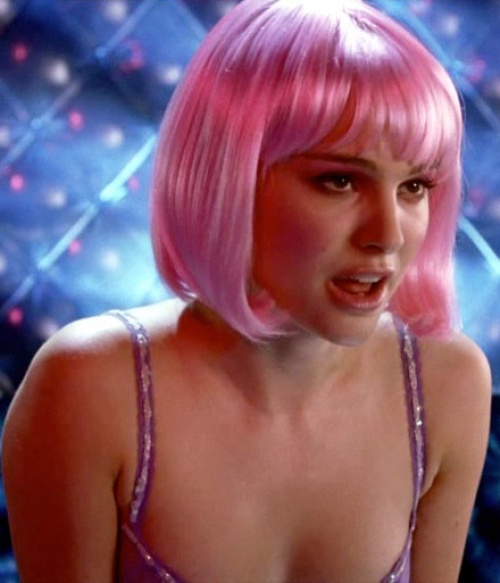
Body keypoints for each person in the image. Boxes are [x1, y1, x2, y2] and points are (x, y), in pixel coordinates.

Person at [1, 0, 492, 581]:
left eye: (415, 186)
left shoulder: (446, 385)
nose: (388, 235)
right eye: (339, 181)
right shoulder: (88, 390)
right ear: (227, 177)